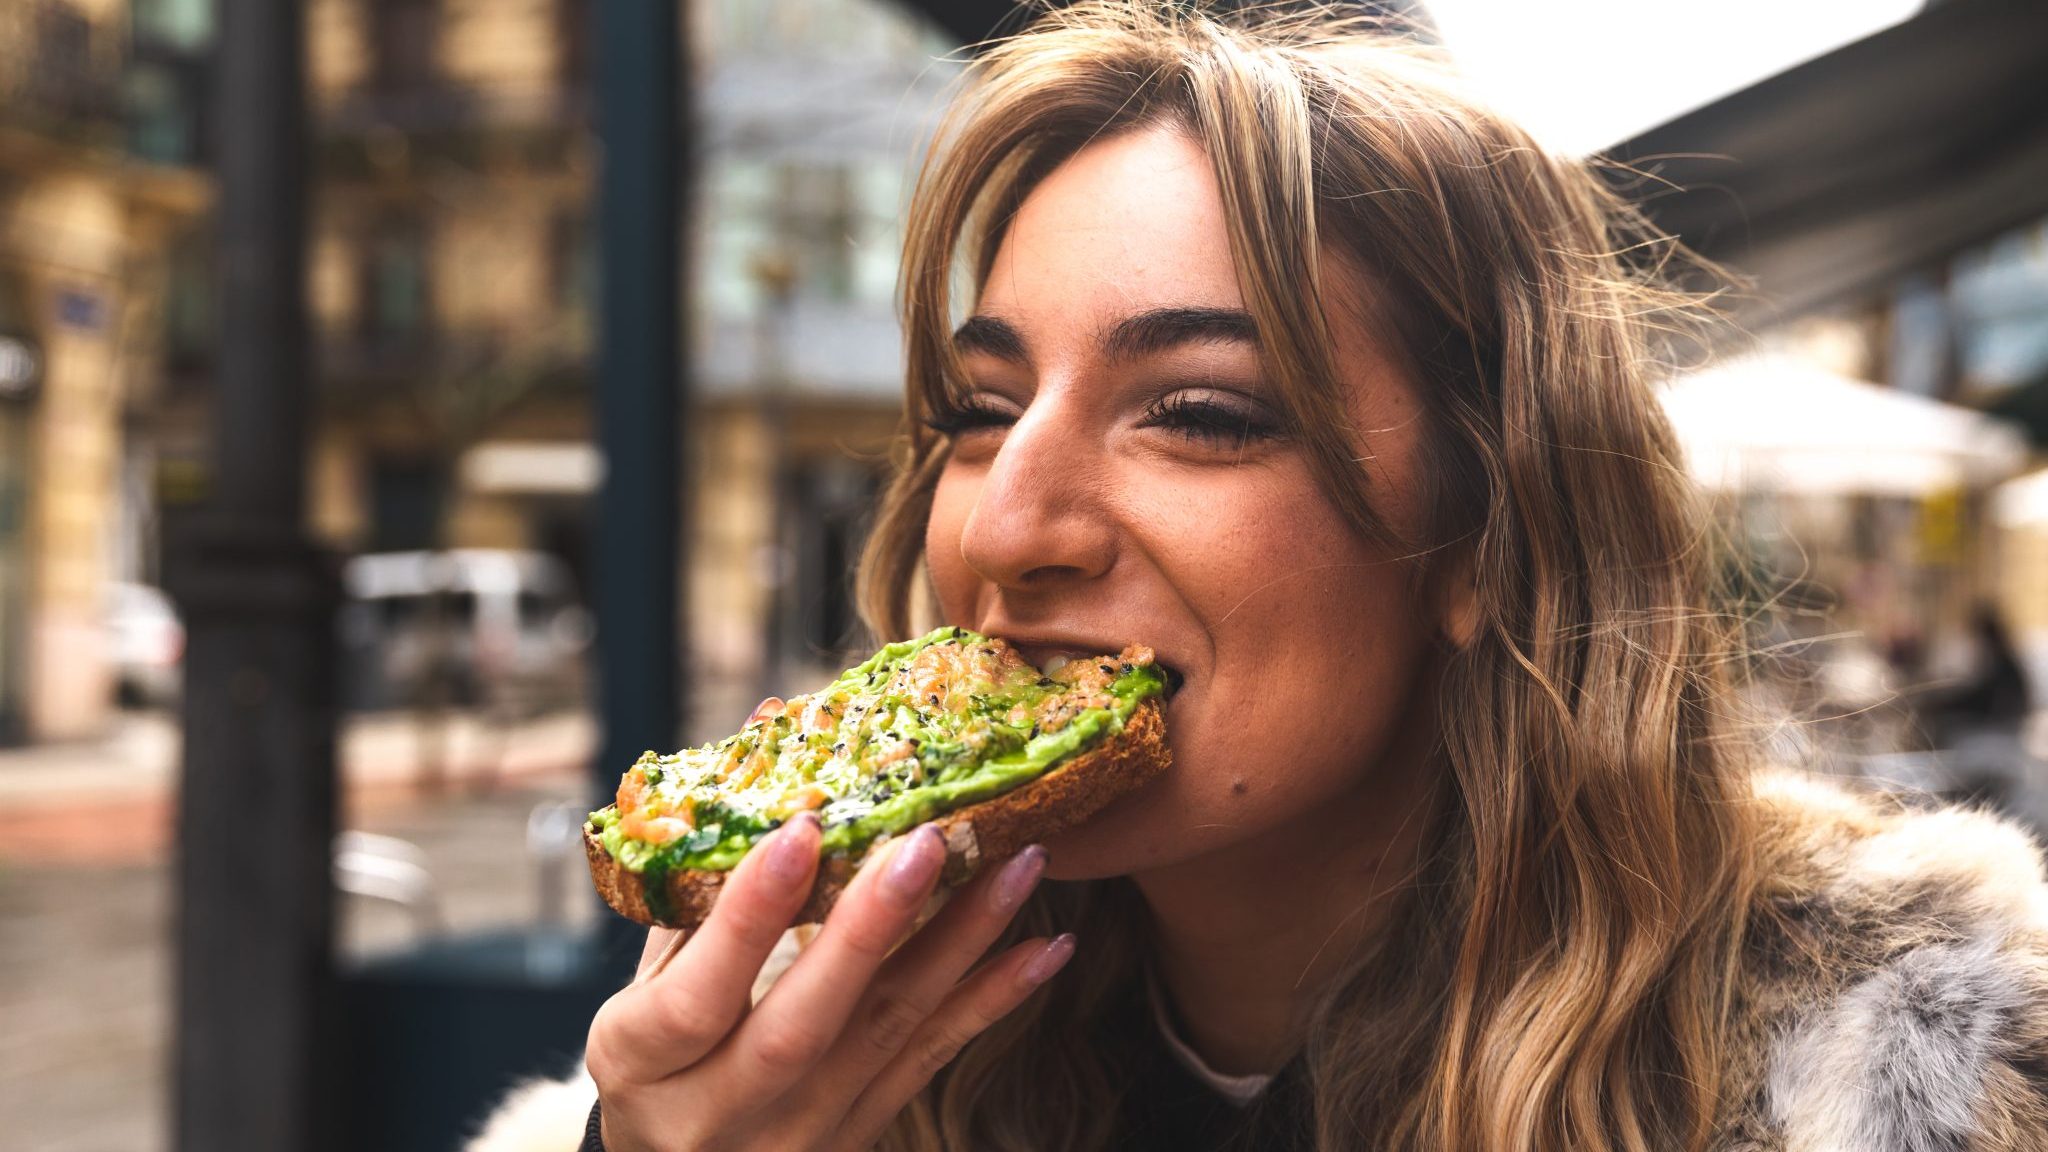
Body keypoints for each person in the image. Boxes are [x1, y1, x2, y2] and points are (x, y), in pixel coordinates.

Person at [471, 4, 2048, 1150]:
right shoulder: (803, 1081)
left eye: (1202, 415)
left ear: (1487, 537)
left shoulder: (1914, 1074)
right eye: (980, 410)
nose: (1010, 527)